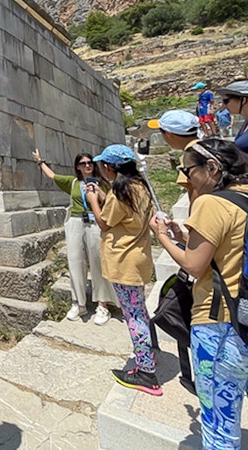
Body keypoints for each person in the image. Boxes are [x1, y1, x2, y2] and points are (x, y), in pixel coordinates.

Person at [149, 138, 248, 448]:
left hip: (222, 330)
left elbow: (194, 265)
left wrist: (162, 237)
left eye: (188, 171)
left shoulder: (210, 203)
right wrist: (183, 236)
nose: (186, 178)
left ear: (212, 168)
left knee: (220, 430)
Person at [84, 144, 161, 396]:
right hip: (138, 257)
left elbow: (105, 223)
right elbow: (126, 214)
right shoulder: (139, 186)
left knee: (133, 315)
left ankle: (146, 372)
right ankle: (148, 353)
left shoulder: (121, 189)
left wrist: (93, 200)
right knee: (138, 309)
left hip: (124, 260)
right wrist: (105, 198)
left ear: (109, 167)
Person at [31, 149, 118, 325]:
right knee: (75, 260)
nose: (87, 166)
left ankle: (103, 304)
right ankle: (78, 302)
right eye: (83, 163)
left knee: (98, 261)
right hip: (76, 222)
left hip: (95, 222)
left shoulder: (104, 183)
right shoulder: (72, 182)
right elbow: (52, 176)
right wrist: (40, 161)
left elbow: (111, 204)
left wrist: (98, 193)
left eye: (89, 163)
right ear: (77, 167)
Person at [147, 109, 201, 202]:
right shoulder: (210, 146)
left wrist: (193, 216)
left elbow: (194, 191)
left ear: (169, 134)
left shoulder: (190, 157)